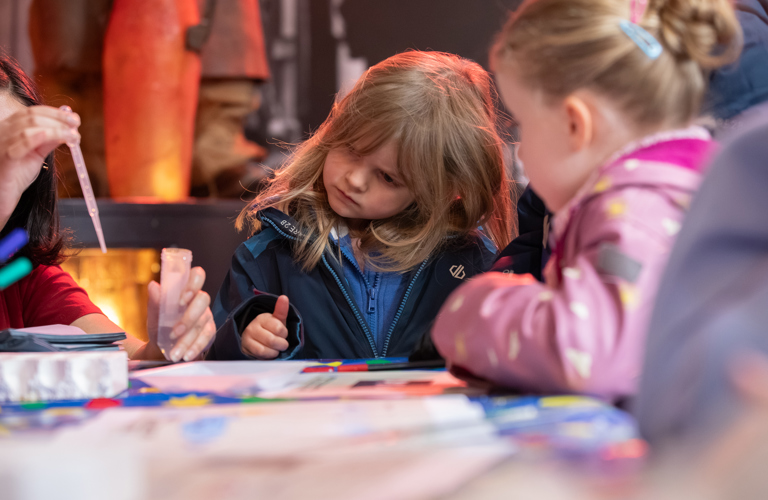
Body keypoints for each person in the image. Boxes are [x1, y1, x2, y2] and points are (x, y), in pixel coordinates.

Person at [430, 0, 742, 401]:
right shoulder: (679, 192)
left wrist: (474, 308)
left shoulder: (636, 213)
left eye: (523, 123)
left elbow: (589, 355)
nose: (520, 151)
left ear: (576, 124)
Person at [207, 51, 513, 360]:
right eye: (351, 149)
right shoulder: (267, 255)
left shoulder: (475, 265)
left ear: (442, 191)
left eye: (387, 177)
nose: (354, 180)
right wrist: (244, 340)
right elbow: (213, 360)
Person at [0, 54, 214, 362]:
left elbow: (133, 359)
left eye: (17, 147)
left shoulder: (26, 275)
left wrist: (168, 343)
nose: (8, 165)